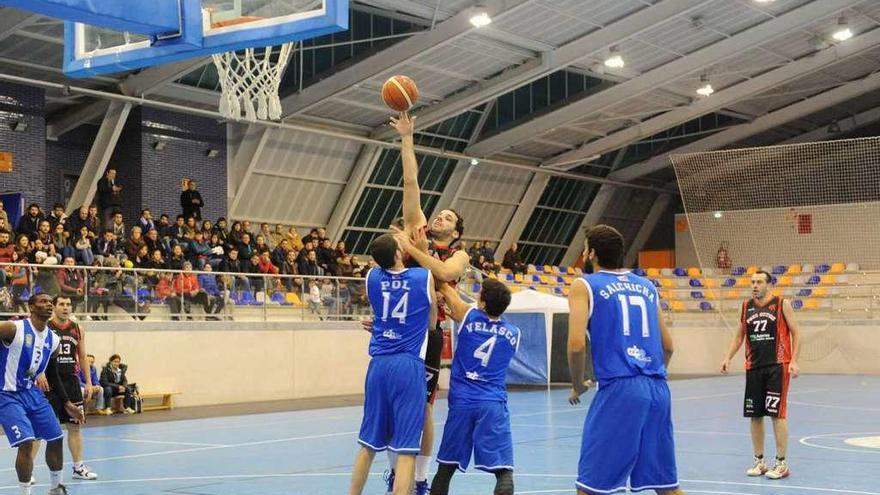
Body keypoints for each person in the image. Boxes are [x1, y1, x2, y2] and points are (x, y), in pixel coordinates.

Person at [387, 112, 471, 494]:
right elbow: (410, 181)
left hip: (430, 336)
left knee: (423, 409)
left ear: (455, 231)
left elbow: (443, 270)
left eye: (448, 217)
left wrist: (408, 248)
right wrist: (407, 137)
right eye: (440, 212)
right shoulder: (416, 230)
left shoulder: (460, 254)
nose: (440, 216)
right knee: (392, 406)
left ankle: (419, 478)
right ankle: (395, 473)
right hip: (398, 329)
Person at [567, 225, 683, 495]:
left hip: (621, 388)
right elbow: (668, 346)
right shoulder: (646, 285)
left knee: (590, 488)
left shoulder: (584, 285)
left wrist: (577, 384)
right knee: (666, 487)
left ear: (592, 253)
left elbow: (575, 345)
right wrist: (649, 375)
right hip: (657, 388)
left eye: (585, 249)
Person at [349, 234, 436, 495]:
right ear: (399, 254)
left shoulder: (372, 278)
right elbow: (432, 323)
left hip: (378, 365)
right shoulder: (423, 277)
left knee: (368, 444)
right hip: (408, 365)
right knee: (408, 448)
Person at [427, 278, 518, 495]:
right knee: (504, 472)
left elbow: (445, 286)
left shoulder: (469, 316)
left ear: (484, 304)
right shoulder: (514, 332)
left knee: (445, 468)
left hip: (462, 403)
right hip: (492, 404)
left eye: (480, 295)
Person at [0, 293, 85, 495]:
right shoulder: (13, 328)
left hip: (32, 392)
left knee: (56, 437)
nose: (48, 305)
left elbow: (53, 374)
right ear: (31, 307)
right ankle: (25, 492)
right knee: (27, 442)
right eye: (42, 302)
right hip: (7, 394)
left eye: (50, 302)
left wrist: (66, 403)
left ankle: (56, 488)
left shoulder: (53, 340)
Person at [720, 270, 800, 480]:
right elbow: (739, 336)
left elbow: (797, 333)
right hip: (753, 367)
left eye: (759, 282)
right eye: (752, 282)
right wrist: (728, 357)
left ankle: (781, 463)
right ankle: (759, 461)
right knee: (755, 415)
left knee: (776, 413)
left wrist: (794, 360)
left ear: (768, 284)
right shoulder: (746, 306)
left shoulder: (782, 304)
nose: (755, 285)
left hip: (777, 365)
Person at [31, 296, 98, 480]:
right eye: (62, 304)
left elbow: (83, 356)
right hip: (49, 384)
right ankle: (28, 469)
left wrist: (89, 383)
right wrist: (40, 372)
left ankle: (78, 468)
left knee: (75, 427)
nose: (66, 307)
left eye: (68, 304)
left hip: (71, 383)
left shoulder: (78, 329)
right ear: (54, 307)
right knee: (40, 429)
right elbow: (34, 352)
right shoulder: (45, 327)